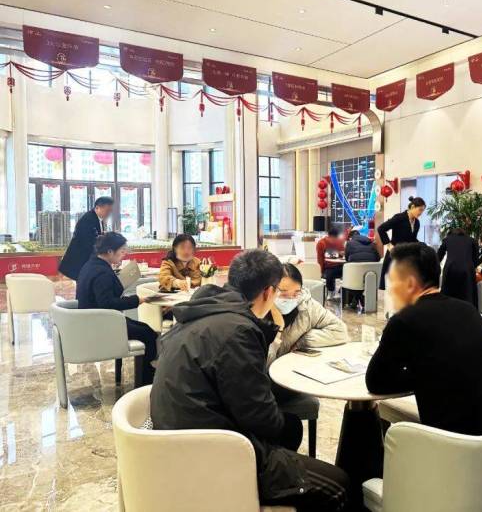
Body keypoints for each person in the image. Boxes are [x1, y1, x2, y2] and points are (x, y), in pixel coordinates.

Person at [150, 250, 351, 512]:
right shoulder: (238, 331)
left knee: (290, 430)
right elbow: (261, 418)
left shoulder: (202, 312)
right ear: (268, 292)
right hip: (210, 452)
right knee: (339, 485)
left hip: (175, 438)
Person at [366, 243, 482, 436]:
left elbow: (375, 381)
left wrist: (421, 374)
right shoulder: (468, 310)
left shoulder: (404, 321)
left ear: (409, 283)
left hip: (451, 446)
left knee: (381, 417)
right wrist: (429, 372)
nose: (390, 291)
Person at [75, 232, 158, 384]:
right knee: (148, 335)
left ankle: (147, 378)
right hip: (101, 324)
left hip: (94, 320)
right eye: (121, 251)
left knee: (146, 329)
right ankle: (146, 381)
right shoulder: (102, 272)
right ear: (110, 252)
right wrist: (137, 300)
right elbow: (107, 304)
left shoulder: (91, 265)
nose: (124, 255)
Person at [267, 263, 348, 365]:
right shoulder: (259, 310)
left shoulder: (306, 305)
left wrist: (302, 341)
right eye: (283, 294)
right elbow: (262, 365)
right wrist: (278, 329)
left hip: (295, 366)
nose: (290, 299)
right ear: (270, 291)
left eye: (296, 293)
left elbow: (340, 331)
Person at [59, 196, 115, 280]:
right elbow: (88, 241)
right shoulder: (88, 219)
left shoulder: (97, 218)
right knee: (84, 282)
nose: (109, 214)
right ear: (97, 207)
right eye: (107, 210)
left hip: (86, 260)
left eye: (110, 211)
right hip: (80, 260)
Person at [377, 196, 426, 290]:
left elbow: (412, 239)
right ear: (412, 207)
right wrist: (389, 246)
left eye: (422, 211)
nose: (421, 213)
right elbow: (381, 229)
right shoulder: (399, 218)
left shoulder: (417, 223)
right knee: (393, 287)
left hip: (406, 257)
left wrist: (422, 245)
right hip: (395, 255)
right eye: (420, 210)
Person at [437, 227, 478, 306]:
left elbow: (439, 256)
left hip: (450, 270)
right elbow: (475, 259)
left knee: (448, 296)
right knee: (468, 296)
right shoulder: (472, 240)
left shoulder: (447, 239)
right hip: (467, 270)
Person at [344, 228, 380, 307]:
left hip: (357, 271)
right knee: (360, 279)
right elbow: (378, 258)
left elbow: (346, 259)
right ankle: (360, 299)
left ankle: (355, 299)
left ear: (350, 237)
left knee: (350, 275)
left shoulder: (349, 243)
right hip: (372, 272)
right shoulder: (371, 242)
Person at [316, 227, 345, 296]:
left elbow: (320, 259)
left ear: (328, 234)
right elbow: (342, 256)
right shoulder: (341, 242)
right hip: (342, 269)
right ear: (337, 235)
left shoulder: (321, 243)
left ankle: (331, 293)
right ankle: (341, 292)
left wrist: (321, 271)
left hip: (329, 270)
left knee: (329, 274)